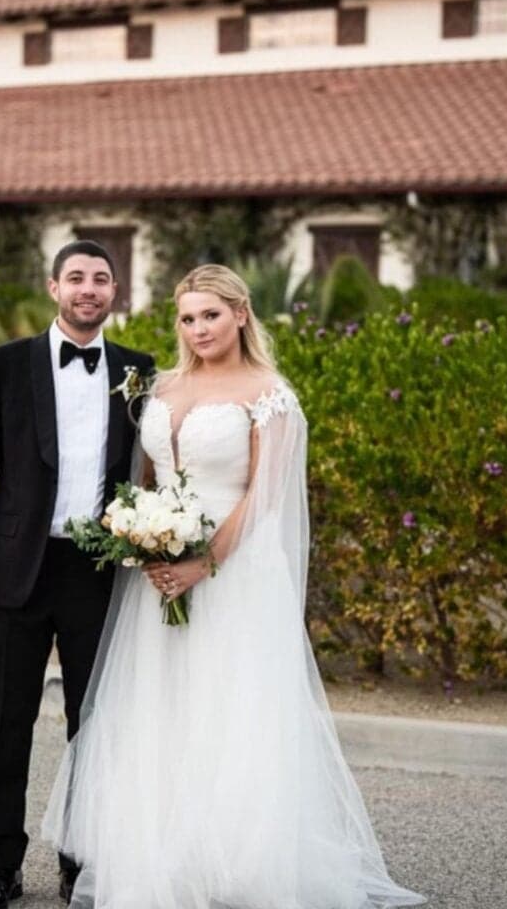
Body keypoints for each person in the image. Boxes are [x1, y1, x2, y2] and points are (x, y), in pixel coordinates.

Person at [42, 264, 425, 909]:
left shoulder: (270, 393)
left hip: (234, 575)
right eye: (188, 318)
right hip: (157, 578)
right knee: (160, 713)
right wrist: (142, 543)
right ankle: (163, 855)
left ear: (241, 314)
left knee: (228, 712)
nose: (198, 329)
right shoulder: (161, 386)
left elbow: (263, 494)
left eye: (211, 315)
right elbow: (142, 480)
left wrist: (203, 563)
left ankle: (238, 863)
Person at [0, 239, 154, 909]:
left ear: (114, 292)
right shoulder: (7, 364)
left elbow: (151, 468)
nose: (88, 288)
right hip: (13, 568)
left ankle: (78, 859)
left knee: (90, 726)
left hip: (97, 572)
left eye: (101, 279)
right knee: (6, 725)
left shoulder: (137, 370)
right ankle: (1, 865)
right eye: (76, 278)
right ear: (53, 287)